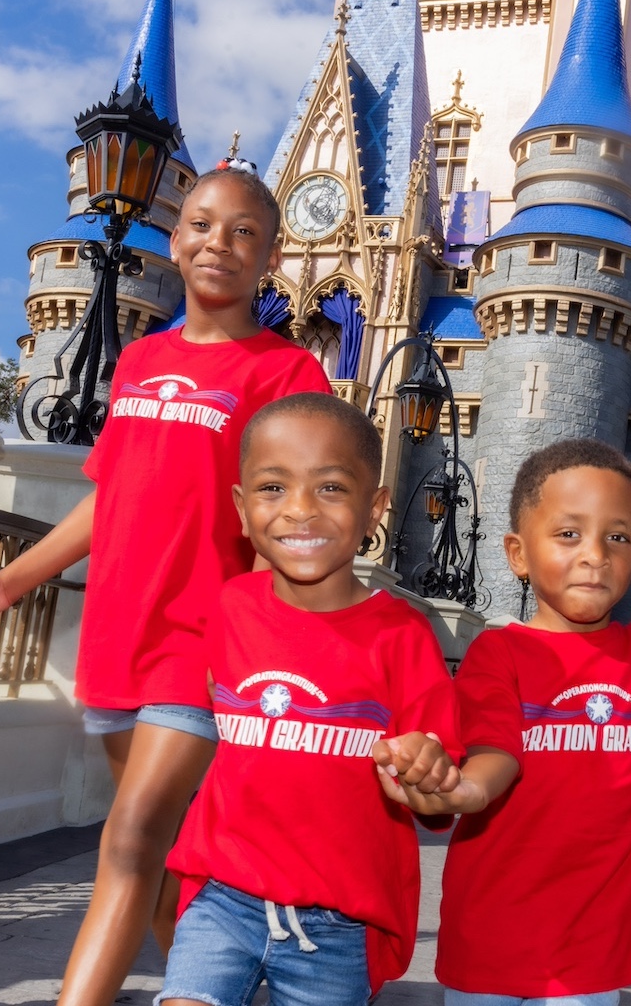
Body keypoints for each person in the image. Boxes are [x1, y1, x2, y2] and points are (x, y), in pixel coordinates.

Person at [0, 166, 330, 1005]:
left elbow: (294, 524)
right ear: (175, 238)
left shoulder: (286, 375)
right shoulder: (144, 360)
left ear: (272, 256)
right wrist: (8, 583)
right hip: (118, 639)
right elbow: (109, 496)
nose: (218, 243)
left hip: (206, 645)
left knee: (128, 840)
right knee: (168, 856)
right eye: (201, 224)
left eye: (244, 231)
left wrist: (270, 641)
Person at [378, 438, 631, 1006]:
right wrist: (463, 791)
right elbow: (495, 753)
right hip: (494, 938)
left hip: (594, 956)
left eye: (618, 537)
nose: (595, 553)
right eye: (568, 533)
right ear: (518, 554)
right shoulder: (501, 655)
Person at [158, 391, 458, 1006]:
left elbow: (437, 801)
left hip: (337, 924)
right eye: (272, 488)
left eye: (330, 488)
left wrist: (425, 769)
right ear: (241, 509)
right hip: (222, 897)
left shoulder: (403, 638)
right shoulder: (228, 608)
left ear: (375, 507)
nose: (299, 510)